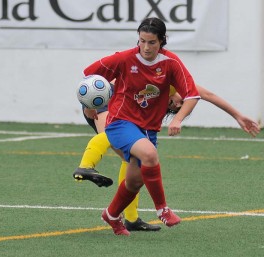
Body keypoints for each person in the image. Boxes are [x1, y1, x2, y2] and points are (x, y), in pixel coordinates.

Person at [78, 17, 200, 236]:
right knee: (150, 155)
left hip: (148, 130)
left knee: (134, 183)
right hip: (120, 122)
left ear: (162, 41)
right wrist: (89, 104)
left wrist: (178, 119)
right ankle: (163, 209)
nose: (145, 47)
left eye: (151, 42)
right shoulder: (124, 58)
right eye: (142, 41)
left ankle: (111, 215)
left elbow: (192, 95)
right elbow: (90, 74)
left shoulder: (171, 63)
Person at [74, 104, 161, 232]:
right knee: (110, 134)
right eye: (178, 102)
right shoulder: (173, 87)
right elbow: (194, 91)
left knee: (132, 159)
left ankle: (132, 219)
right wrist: (90, 104)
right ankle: (85, 166)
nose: (177, 104)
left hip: (119, 104)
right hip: (106, 100)